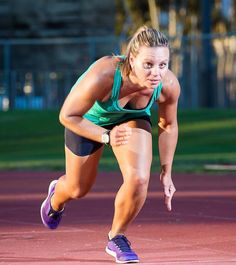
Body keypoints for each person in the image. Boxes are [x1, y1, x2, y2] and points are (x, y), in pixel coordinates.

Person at [40, 25, 180, 264]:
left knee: (139, 178)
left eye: (162, 65)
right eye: (148, 65)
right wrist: (105, 136)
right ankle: (56, 196)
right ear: (132, 59)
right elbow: (67, 115)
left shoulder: (167, 85)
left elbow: (167, 125)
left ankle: (117, 236)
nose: (156, 73)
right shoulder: (105, 73)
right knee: (77, 189)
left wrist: (166, 171)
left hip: (131, 119)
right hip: (88, 121)